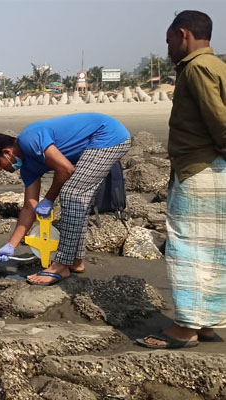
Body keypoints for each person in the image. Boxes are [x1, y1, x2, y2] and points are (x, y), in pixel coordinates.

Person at [137, 10, 226, 349]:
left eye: (169, 41)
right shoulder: (218, 65)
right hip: (214, 169)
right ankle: (205, 323)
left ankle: (185, 327)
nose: (169, 48)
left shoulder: (197, 68)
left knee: (187, 248)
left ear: (183, 34)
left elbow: (219, 121)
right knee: (214, 251)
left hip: (198, 169)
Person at [0, 113, 131, 285]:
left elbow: (66, 169)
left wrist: (49, 199)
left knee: (71, 194)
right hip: (97, 143)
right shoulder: (28, 170)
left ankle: (61, 265)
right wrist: (11, 245)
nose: (0, 169)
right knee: (78, 199)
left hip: (108, 135)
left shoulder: (28, 139)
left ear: (7, 152)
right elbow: (28, 208)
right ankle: (75, 261)